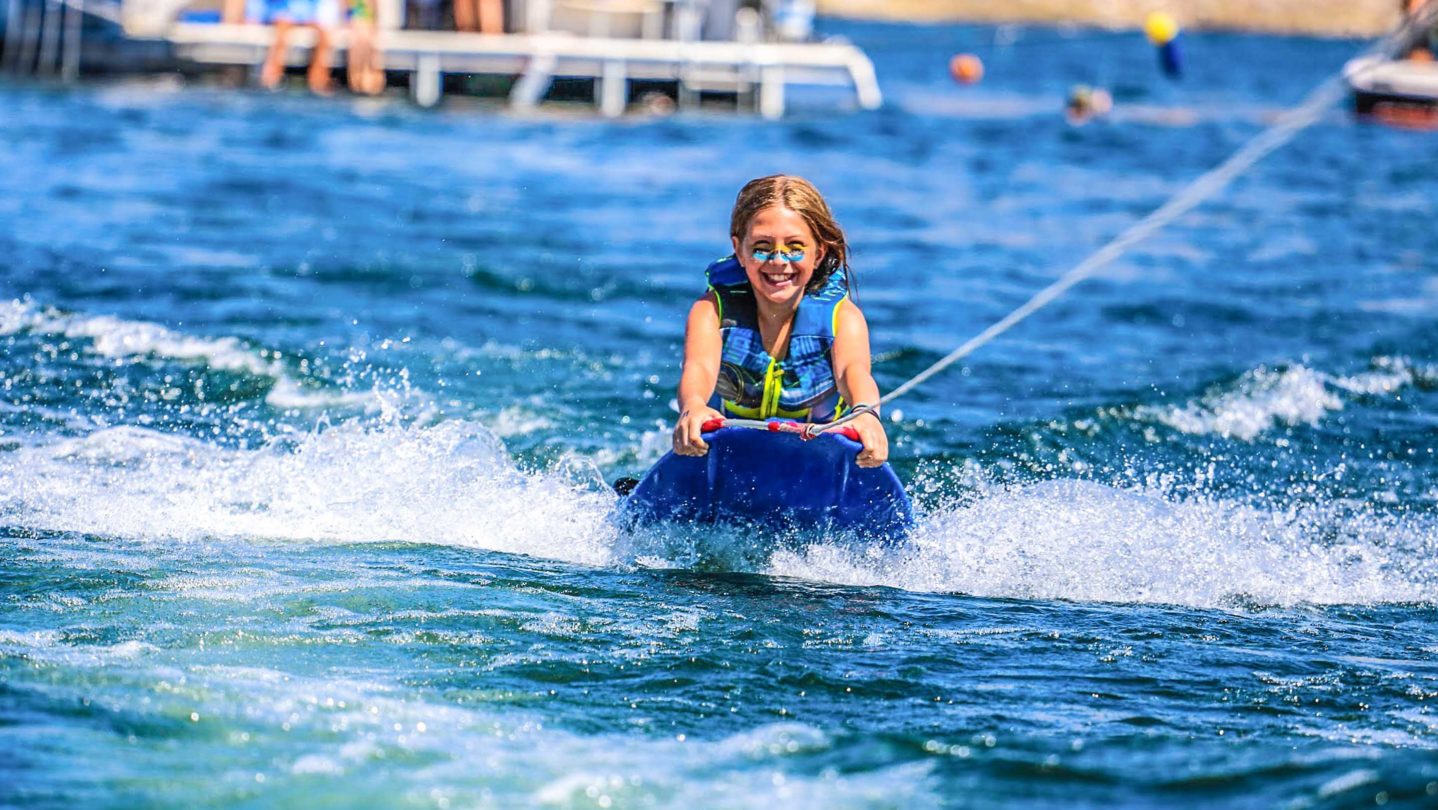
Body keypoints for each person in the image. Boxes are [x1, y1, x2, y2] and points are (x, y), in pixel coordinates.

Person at [672, 175, 889, 469]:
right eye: (762, 247)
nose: (778, 260)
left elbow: (854, 372)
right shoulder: (712, 311)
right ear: (739, 250)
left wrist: (866, 414)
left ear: (818, 253)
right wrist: (693, 407)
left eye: (795, 247)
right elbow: (698, 367)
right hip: (734, 458)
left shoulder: (842, 318)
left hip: (817, 461)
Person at [259, 0, 340, 94]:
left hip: (307, 15)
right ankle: (272, 76)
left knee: (323, 36)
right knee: (282, 31)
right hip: (284, 14)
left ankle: (318, 79)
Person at [345, 0, 385, 95]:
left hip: (366, 24)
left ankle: (365, 80)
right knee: (360, 43)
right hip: (357, 25)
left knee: (367, 44)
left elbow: (375, 11)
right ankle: (362, 80)